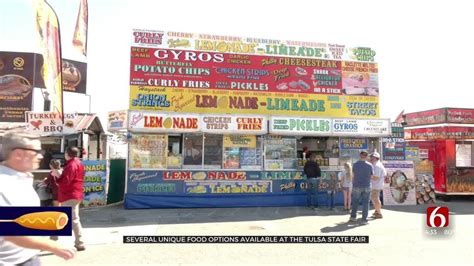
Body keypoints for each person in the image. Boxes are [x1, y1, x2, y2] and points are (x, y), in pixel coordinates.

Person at [0, 132, 75, 265]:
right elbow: (10, 231)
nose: (41, 156)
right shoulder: (4, 183)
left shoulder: (22, 177)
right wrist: (53, 246)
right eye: (37, 151)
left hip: (28, 256)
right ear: (18, 154)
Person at [52, 147, 85, 251]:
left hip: (70, 194)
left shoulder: (71, 165)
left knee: (73, 219)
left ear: (67, 154)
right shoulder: (78, 163)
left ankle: (80, 243)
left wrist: (57, 174)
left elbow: (66, 181)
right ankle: (54, 237)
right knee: (68, 217)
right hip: (75, 193)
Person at [349, 150, 373, 224]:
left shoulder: (355, 164)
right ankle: (364, 220)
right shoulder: (370, 165)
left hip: (356, 186)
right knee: (366, 203)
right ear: (366, 156)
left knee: (355, 202)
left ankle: (353, 217)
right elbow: (371, 176)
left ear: (360, 155)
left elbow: (352, 176)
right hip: (367, 186)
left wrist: (352, 184)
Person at [369, 152, 386, 219]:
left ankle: (379, 213)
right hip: (376, 185)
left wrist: (367, 176)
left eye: (372, 157)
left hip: (376, 185)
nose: (370, 158)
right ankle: (377, 211)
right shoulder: (377, 164)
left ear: (376, 158)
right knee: (375, 198)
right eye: (371, 157)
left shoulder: (377, 166)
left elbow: (376, 177)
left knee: (375, 199)